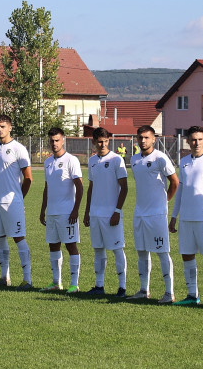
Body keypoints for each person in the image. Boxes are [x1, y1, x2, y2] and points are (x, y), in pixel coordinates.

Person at [169, 126, 203, 309]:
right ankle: (192, 295)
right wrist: (174, 216)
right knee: (187, 256)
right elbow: (181, 191)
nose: (196, 143)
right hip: (186, 219)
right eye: (193, 139)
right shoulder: (184, 161)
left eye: (200, 139)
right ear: (188, 141)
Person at [128, 125, 179, 303]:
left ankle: (169, 293)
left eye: (147, 138)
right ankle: (144, 289)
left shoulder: (160, 158)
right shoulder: (134, 159)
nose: (143, 141)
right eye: (140, 138)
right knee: (141, 252)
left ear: (154, 139)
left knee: (162, 252)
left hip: (157, 214)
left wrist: (165, 201)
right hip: (140, 212)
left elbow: (175, 182)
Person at [0, 115, 34, 290]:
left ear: (10, 128)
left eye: (3, 126)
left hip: (12, 203)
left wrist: (19, 199)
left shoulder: (19, 148)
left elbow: (28, 178)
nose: (0, 130)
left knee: (18, 238)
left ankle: (27, 280)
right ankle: (4, 277)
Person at [83, 127, 128, 297]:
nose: (102, 144)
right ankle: (99, 286)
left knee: (117, 250)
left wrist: (117, 211)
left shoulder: (117, 160)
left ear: (109, 141)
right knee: (98, 250)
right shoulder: (92, 160)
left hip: (111, 214)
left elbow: (124, 187)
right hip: (95, 213)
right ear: (94, 142)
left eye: (106, 141)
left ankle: (122, 287)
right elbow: (91, 187)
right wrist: (87, 212)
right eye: (99, 141)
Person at [39, 128, 84, 294]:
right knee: (53, 246)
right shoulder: (47, 162)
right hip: (52, 212)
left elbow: (80, 187)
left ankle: (74, 284)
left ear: (63, 140)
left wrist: (75, 210)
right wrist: (43, 209)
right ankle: (56, 282)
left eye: (57, 140)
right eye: (51, 140)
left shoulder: (71, 160)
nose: (54, 143)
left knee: (71, 245)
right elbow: (47, 187)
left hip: (67, 212)